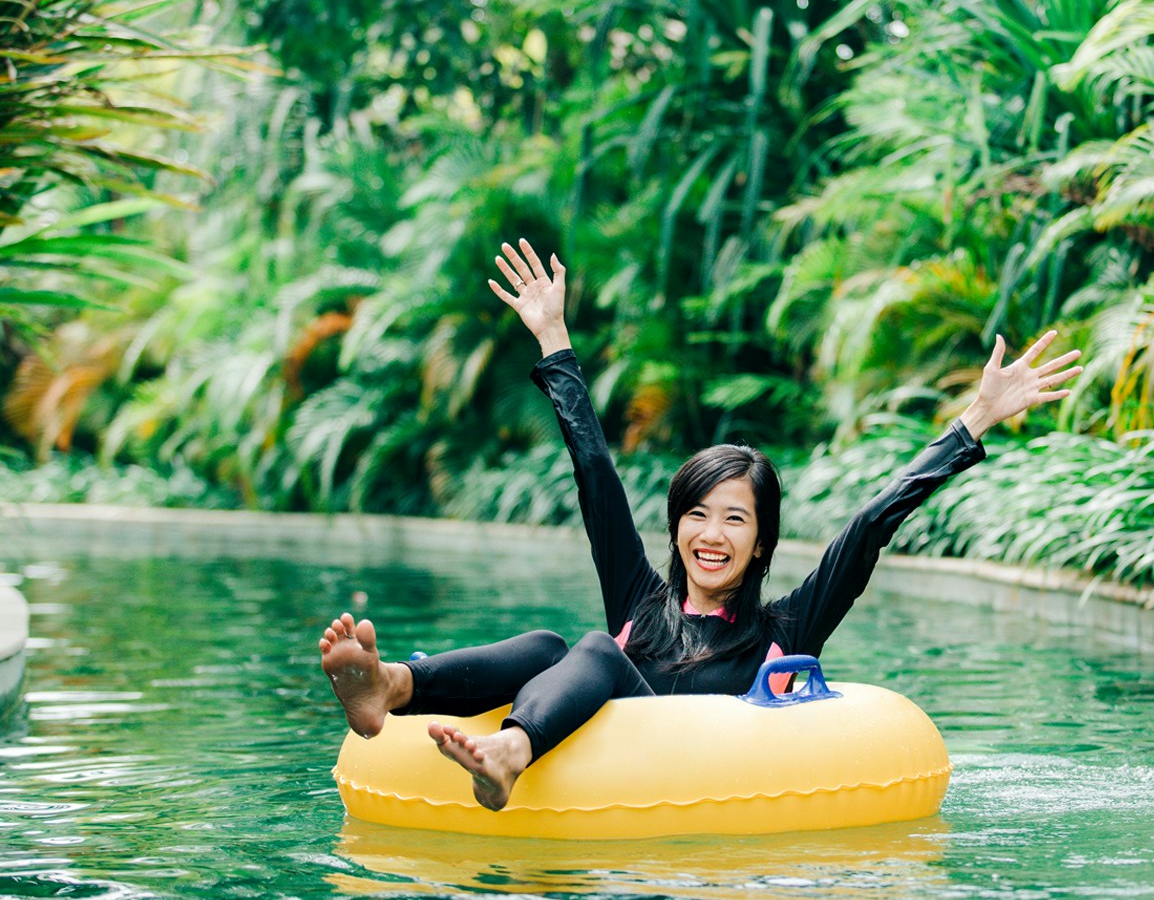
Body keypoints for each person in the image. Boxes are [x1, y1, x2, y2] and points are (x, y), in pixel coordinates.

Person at [320, 238, 1082, 811]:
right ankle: (390, 685)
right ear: (678, 526)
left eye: (735, 518)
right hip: (602, 785)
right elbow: (595, 473)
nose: (712, 534)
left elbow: (870, 525)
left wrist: (975, 419)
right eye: (697, 513)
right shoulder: (638, 604)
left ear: (761, 541)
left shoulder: (788, 629)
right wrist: (555, 339)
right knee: (557, 646)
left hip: (680, 793)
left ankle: (512, 750)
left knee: (591, 649)